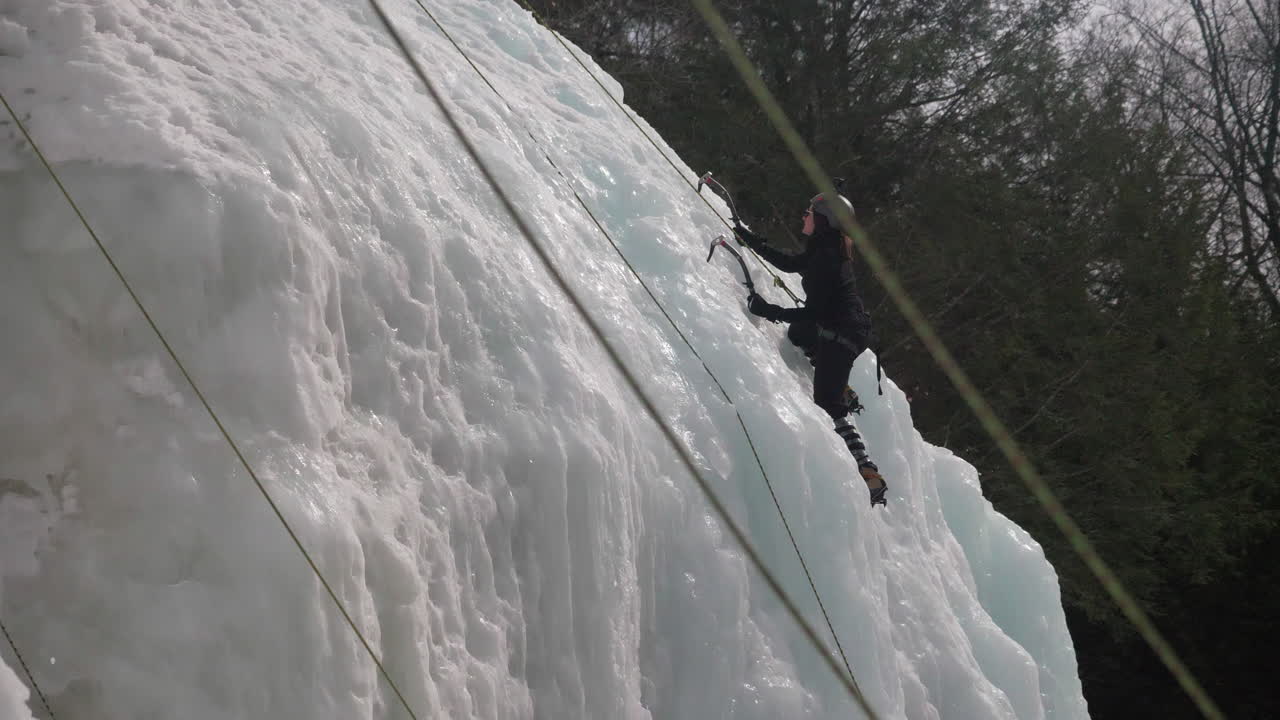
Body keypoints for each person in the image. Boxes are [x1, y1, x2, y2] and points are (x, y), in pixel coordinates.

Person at [734, 191, 888, 507]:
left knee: (826, 401)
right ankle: (833, 375)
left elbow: (814, 312)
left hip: (843, 334)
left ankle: (866, 468)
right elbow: (791, 263)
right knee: (800, 334)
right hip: (841, 327)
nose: (804, 215)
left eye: (809, 211)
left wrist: (770, 310)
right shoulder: (824, 248)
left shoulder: (828, 257)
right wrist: (752, 241)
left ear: (822, 220)